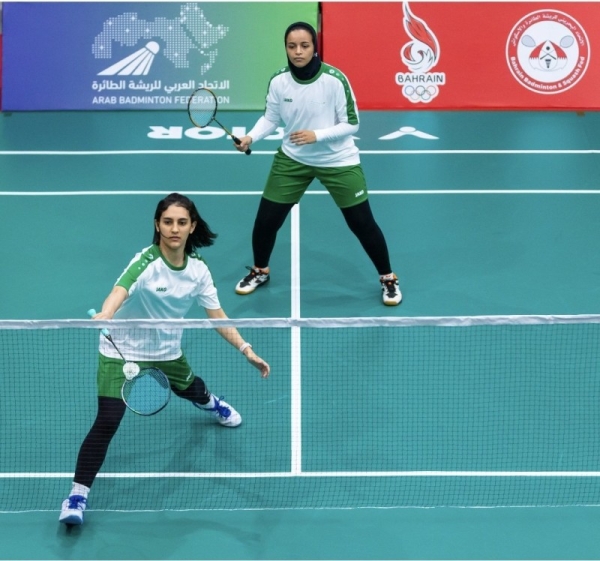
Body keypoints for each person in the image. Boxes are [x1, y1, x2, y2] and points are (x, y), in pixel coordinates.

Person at [59, 192, 270, 526]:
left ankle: (212, 402)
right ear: (157, 225)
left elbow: (217, 316)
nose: (174, 228)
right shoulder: (145, 261)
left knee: (191, 391)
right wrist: (106, 314)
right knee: (108, 420)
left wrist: (246, 349)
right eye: (168, 222)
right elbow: (120, 290)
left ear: (192, 227)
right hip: (121, 349)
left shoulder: (198, 270)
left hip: (166, 351)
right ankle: (76, 496)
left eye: (181, 222)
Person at [233, 21, 402, 306]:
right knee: (265, 222)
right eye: (291, 46)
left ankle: (388, 278)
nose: (298, 51)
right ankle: (260, 270)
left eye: (304, 45)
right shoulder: (279, 81)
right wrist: (251, 137)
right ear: (285, 48)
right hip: (293, 158)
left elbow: (352, 124)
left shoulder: (335, 80)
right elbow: (271, 118)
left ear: (315, 47)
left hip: (338, 159)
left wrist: (317, 136)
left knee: (362, 223)